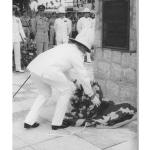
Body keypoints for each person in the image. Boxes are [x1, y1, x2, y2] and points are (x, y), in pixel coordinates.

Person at [24, 28, 100, 130]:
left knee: (44, 94)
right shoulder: (77, 54)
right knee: (66, 90)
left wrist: (74, 80)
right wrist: (91, 95)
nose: (85, 52)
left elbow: (63, 67)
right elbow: (83, 75)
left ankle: (28, 121)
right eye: (86, 49)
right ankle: (57, 123)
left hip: (35, 67)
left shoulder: (66, 47)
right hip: (48, 70)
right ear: (83, 46)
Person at [13, 5, 26, 72]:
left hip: (17, 38)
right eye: (12, 9)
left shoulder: (17, 19)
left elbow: (20, 29)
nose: (13, 11)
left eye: (14, 10)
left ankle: (18, 68)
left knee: (17, 54)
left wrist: (24, 37)